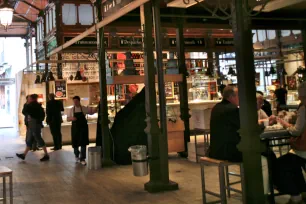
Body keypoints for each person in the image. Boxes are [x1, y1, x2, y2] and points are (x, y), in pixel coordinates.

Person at [209, 86, 274, 195]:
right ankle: (262, 195)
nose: (241, 98)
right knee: (263, 159)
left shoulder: (217, 107)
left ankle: (256, 190)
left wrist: (262, 122)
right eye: (239, 95)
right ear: (231, 97)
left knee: (264, 152)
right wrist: (264, 124)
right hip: (228, 151)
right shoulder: (232, 109)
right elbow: (248, 127)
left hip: (216, 149)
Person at [275, 82, 306, 204]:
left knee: (279, 165)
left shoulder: (304, 108)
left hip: (303, 151)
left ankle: (295, 195)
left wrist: (286, 125)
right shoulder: (302, 108)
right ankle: (302, 191)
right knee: (293, 164)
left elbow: (296, 131)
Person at [16, 94, 50, 161]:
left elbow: (24, 111)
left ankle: (46, 155)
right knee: (29, 139)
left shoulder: (32, 105)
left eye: (29, 98)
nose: (28, 99)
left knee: (38, 138)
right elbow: (42, 116)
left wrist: (27, 104)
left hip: (34, 125)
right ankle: (24, 155)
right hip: (33, 124)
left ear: (32, 99)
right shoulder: (38, 105)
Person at [67, 96, 96, 166]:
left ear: (79, 101)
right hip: (75, 128)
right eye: (74, 101)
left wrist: (95, 108)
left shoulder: (83, 108)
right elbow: (68, 119)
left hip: (83, 128)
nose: (75, 102)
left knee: (83, 143)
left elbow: (91, 112)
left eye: (76, 101)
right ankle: (77, 155)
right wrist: (72, 118)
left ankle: (82, 158)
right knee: (75, 143)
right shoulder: (71, 109)